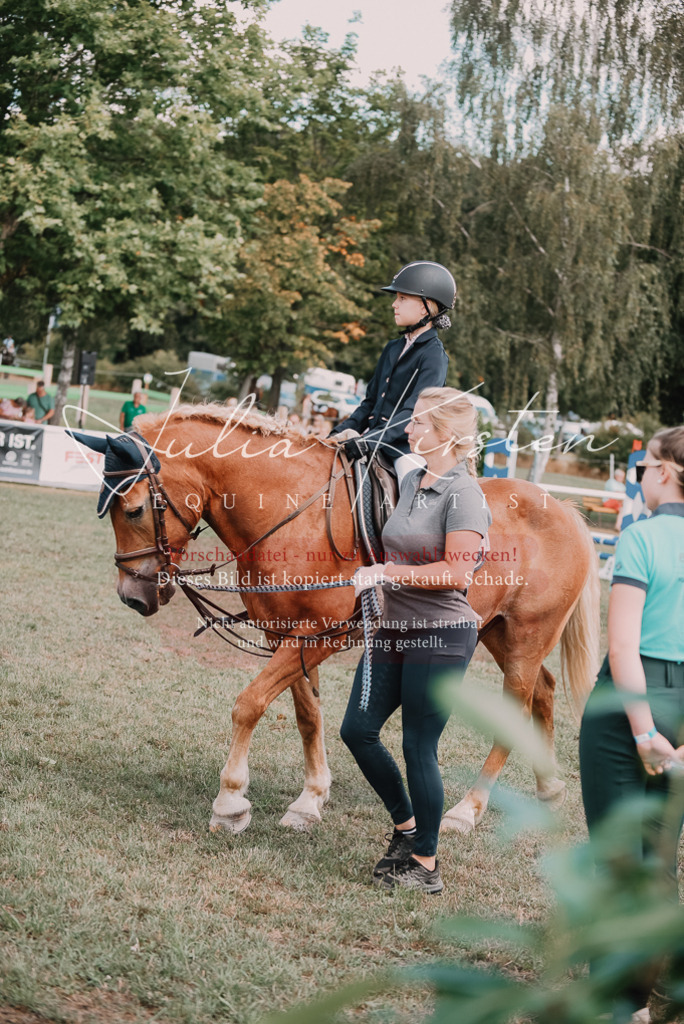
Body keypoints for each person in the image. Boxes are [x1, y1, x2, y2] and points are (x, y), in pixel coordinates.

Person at [340, 387, 491, 893]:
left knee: (417, 746)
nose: (409, 429)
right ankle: (407, 829)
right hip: (394, 629)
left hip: (441, 635)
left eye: (420, 424)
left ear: (445, 434)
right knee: (357, 730)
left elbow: (456, 572)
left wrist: (385, 571)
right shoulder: (414, 480)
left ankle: (426, 864)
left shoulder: (463, 494)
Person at [579, 427, 684, 1021]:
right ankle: (640, 998)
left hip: (628, 706)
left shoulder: (641, 537)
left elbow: (622, 646)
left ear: (664, 472)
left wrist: (644, 733)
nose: (641, 476)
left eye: (645, 466)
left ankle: (615, 1004)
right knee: (660, 859)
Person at [328, 261, 455, 482]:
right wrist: (336, 434)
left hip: (405, 449)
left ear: (425, 307)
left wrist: (370, 440)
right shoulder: (392, 348)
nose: (394, 304)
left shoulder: (434, 356)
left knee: (410, 479)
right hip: (372, 440)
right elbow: (369, 404)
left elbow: (414, 413)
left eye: (402, 298)